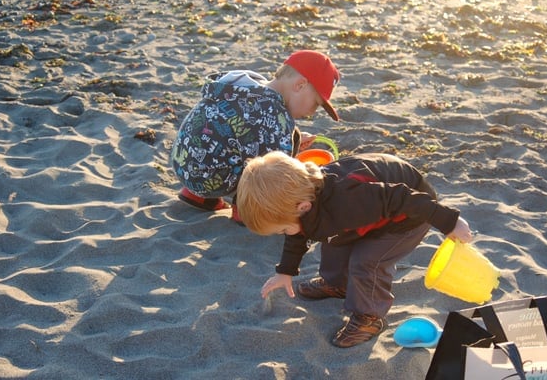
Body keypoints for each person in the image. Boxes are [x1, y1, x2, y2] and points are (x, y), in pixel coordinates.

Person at [236, 151, 473, 348]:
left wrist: (449, 221)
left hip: (408, 216)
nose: (285, 234)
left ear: (304, 207)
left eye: (282, 229)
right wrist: (285, 271)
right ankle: (337, 284)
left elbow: (402, 198)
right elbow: (298, 234)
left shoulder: (347, 199)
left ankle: (369, 316)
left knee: (367, 260)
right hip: (372, 215)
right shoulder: (305, 205)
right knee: (335, 240)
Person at [170, 50, 341, 222]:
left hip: (184, 164)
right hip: (209, 179)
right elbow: (272, 169)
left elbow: (245, 129)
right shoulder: (271, 114)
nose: (312, 112)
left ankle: (196, 196)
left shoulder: (245, 85)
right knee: (270, 167)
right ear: (300, 85)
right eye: (315, 104)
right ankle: (245, 208)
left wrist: (293, 137)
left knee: (230, 142)